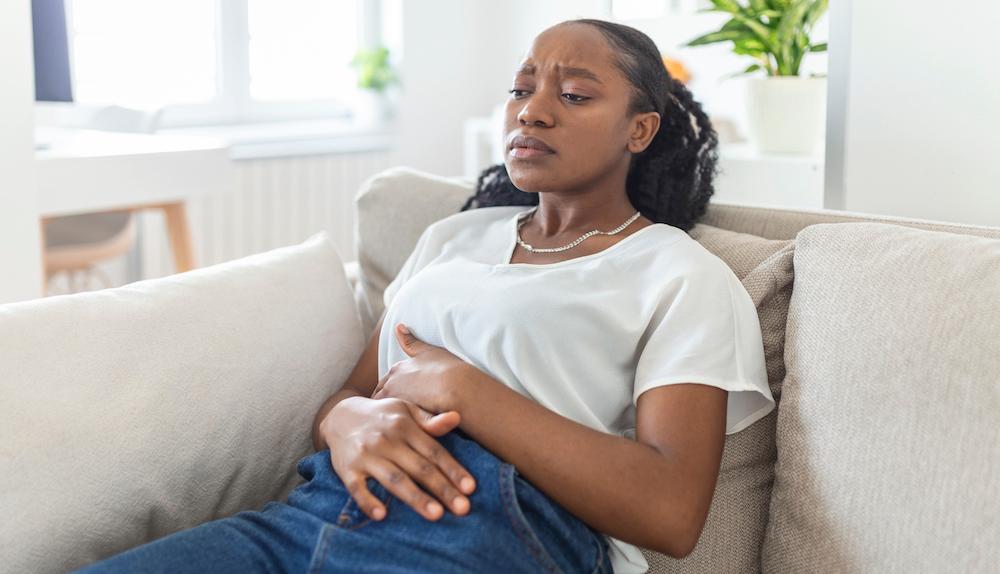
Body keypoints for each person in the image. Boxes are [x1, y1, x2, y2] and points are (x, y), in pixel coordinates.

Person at [75, 18, 774, 574]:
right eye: (521, 89)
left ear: (639, 130)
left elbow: (671, 512)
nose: (531, 112)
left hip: (484, 536)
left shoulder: (680, 275)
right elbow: (353, 391)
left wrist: (466, 391)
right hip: (310, 514)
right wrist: (347, 421)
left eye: (574, 95)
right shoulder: (454, 237)